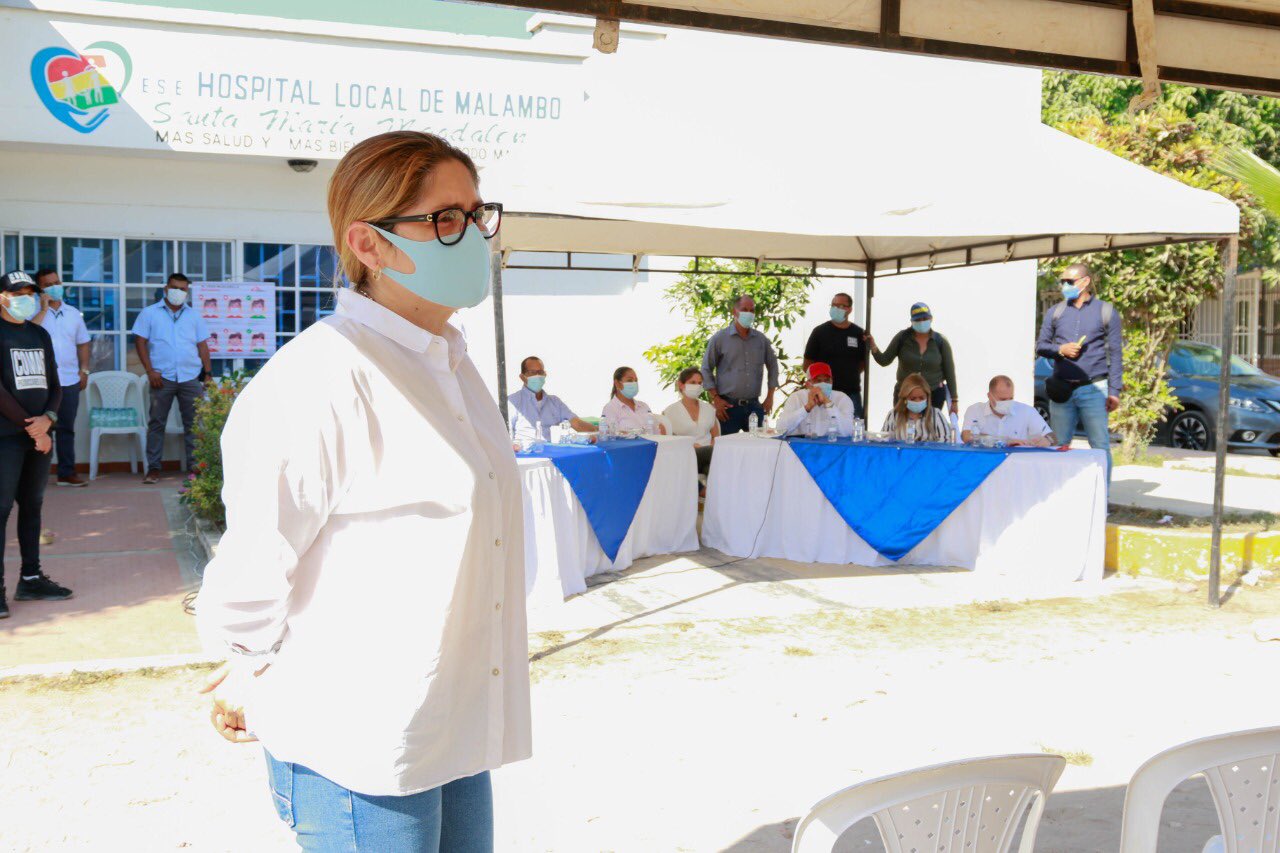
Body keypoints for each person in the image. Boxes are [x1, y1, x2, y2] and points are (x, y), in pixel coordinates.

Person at [195, 131, 528, 851]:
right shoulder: (322, 376)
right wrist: (245, 664)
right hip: (362, 742)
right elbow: (256, 557)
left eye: (476, 214)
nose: (471, 236)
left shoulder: (454, 365)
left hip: (452, 717)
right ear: (367, 244)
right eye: (443, 218)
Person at [0, 270, 73, 619]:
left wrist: (49, 420)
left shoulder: (39, 333)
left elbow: (56, 385)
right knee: (1, 510)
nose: (26, 298)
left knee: (32, 505)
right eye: (18, 293)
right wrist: (34, 429)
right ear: (2, 296)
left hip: (40, 433)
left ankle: (30, 579)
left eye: (30, 292)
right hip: (7, 438)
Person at [1035, 262, 1123, 480]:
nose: (1065, 285)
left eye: (1069, 281)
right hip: (1062, 388)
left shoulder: (1105, 311)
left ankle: (1102, 500)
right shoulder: (1056, 312)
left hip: (1094, 388)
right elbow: (1041, 346)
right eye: (1062, 281)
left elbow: (1116, 353)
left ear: (1085, 282)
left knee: (1100, 445)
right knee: (1059, 446)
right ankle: (1058, 494)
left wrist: (1114, 391)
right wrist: (1060, 350)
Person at [131, 272, 212, 484]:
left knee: (194, 424)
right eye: (175, 287)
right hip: (162, 377)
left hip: (190, 377)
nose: (179, 292)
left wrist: (208, 373)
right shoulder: (150, 313)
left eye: (183, 289)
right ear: (166, 288)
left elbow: (202, 345)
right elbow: (140, 342)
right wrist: (150, 371)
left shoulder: (194, 316)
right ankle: (154, 469)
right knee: (157, 423)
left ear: (187, 291)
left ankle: (196, 470)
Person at [32, 269, 91, 486]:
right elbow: (29, 334)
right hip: (40, 382)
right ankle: (36, 477)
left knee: (66, 428)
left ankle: (66, 473)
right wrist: (43, 309)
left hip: (68, 380)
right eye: (48, 284)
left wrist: (84, 370)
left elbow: (83, 342)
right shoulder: (32, 313)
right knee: (41, 429)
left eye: (57, 282)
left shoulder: (74, 313)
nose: (55, 286)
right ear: (40, 289)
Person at [701, 295, 780, 435]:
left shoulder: (761, 340)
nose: (748, 313)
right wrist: (716, 399)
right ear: (734, 312)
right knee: (725, 450)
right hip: (727, 407)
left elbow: (773, 366)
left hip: (754, 407)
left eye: (752, 310)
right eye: (744, 309)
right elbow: (706, 368)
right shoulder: (720, 339)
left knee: (758, 449)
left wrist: (770, 397)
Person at [867, 302, 959, 414]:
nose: (921, 322)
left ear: (931, 318)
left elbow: (950, 372)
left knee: (930, 428)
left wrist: (954, 400)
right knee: (903, 427)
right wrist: (873, 346)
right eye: (918, 320)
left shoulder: (940, 341)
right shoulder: (902, 338)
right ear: (912, 321)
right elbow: (884, 360)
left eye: (924, 318)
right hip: (905, 394)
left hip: (933, 393)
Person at [802, 292, 867, 419]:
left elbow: (862, 363)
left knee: (852, 430)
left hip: (851, 393)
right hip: (824, 393)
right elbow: (807, 365)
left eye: (841, 306)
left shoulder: (858, 333)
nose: (836, 309)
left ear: (849, 309)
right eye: (834, 305)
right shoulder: (819, 332)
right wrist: (821, 383)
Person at [507, 355, 597, 442]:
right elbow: (505, 433)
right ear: (522, 377)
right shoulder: (512, 402)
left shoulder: (555, 402)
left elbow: (576, 423)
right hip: (526, 454)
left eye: (540, 372)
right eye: (532, 373)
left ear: (545, 375)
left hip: (553, 452)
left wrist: (602, 430)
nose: (537, 376)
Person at [961, 375, 1056, 447]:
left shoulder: (1027, 411)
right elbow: (966, 437)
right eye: (1002, 399)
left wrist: (1048, 440)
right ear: (990, 396)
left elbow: (1052, 437)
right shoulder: (975, 410)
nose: (1008, 402)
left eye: (1011, 398)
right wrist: (1004, 441)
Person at [662, 367, 719, 477]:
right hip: (685, 454)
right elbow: (668, 441)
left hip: (709, 454)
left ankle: (705, 490)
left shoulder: (709, 409)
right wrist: (690, 445)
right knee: (713, 458)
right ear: (681, 384)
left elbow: (715, 436)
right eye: (693, 382)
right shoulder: (670, 412)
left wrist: (711, 447)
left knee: (710, 468)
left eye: (700, 383)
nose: (697, 386)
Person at [776, 362, 856, 438]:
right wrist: (806, 408)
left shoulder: (842, 399)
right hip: (801, 448)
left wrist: (828, 403)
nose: (823, 384)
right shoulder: (796, 398)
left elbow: (848, 431)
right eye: (818, 381)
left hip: (832, 448)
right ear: (808, 384)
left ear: (832, 381)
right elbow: (780, 429)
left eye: (827, 380)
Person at [880, 372, 953, 442]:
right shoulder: (893, 415)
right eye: (913, 398)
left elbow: (946, 441)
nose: (918, 401)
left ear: (927, 397)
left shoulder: (936, 415)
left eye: (921, 398)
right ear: (905, 398)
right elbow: (884, 441)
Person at [603, 366, 666, 434]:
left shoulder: (644, 406)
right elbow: (614, 436)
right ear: (617, 383)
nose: (634, 383)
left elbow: (658, 428)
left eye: (636, 380)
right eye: (629, 380)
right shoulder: (610, 408)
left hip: (652, 443)